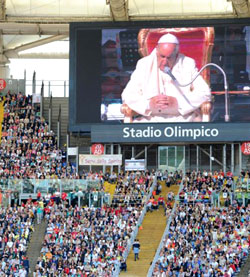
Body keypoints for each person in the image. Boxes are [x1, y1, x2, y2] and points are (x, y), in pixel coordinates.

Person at [122, 33, 211, 122]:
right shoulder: (144, 64)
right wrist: (149, 104)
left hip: (183, 119)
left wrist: (177, 103)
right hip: (150, 119)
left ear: (176, 55)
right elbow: (127, 95)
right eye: (162, 56)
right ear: (157, 51)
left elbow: (205, 93)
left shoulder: (187, 63)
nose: (164, 62)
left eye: (169, 58)